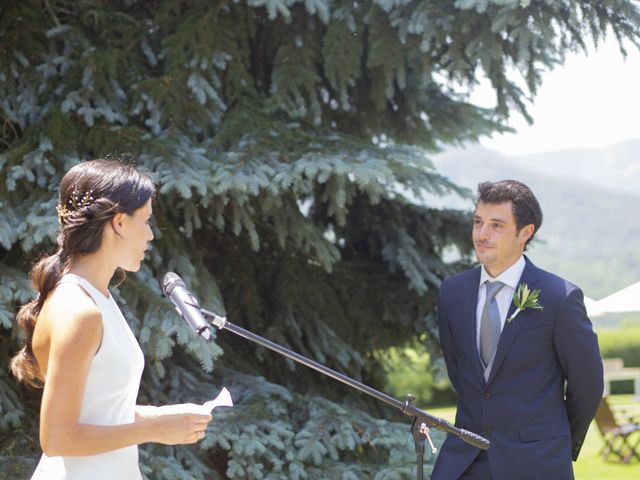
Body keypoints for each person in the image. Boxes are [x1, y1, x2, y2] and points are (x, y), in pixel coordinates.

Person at [10, 159, 212, 480]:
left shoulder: (96, 297)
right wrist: (155, 429)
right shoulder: (79, 310)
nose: (150, 235)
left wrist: (162, 416)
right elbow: (58, 437)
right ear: (118, 223)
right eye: (145, 221)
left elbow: (100, 411)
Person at [431, 180, 603, 480]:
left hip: (536, 463)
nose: (482, 234)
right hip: (464, 462)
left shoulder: (559, 297)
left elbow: (587, 387)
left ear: (525, 232)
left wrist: (552, 442)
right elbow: (460, 373)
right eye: (478, 222)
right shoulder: (452, 292)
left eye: (496, 225)